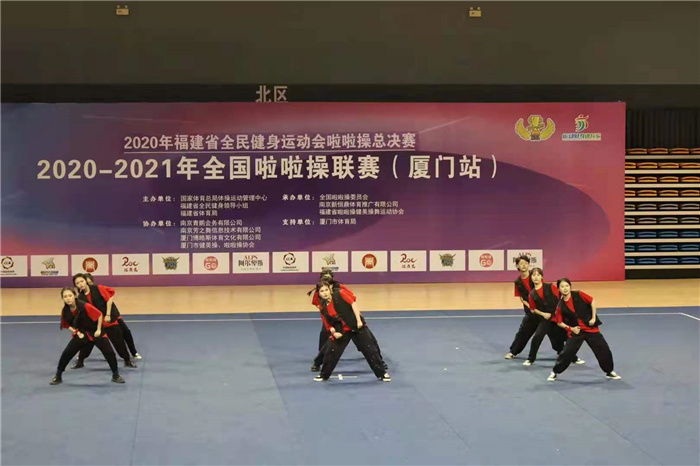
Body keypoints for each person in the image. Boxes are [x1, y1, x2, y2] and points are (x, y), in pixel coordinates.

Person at [312, 281, 390, 382]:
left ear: (330, 289)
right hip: (341, 331)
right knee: (331, 352)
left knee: (370, 349)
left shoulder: (340, 294)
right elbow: (327, 323)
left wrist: (359, 321)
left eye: (326, 290)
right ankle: (323, 375)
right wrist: (334, 333)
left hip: (357, 327)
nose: (325, 293)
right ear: (319, 293)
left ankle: (382, 373)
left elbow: (353, 304)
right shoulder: (322, 307)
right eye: (322, 291)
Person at [547, 278, 622, 381]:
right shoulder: (560, 305)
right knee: (567, 353)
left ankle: (609, 372)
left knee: (603, 350)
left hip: (591, 329)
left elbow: (592, 301)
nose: (565, 288)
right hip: (576, 331)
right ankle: (555, 371)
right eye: (562, 286)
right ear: (559, 289)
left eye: (567, 286)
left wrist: (593, 318)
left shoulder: (579, 294)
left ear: (570, 286)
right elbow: (559, 322)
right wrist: (571, 328)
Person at [51, 287, 124, 385]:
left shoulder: (84, 306)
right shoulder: (65, 310)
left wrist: (98, 330)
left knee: (109, 353)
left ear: (74, 296)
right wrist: (76, 332)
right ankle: (58, 375)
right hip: (82, 333)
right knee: (67, 353)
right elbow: (66, 325)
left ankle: (115, 375)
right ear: (62, 298)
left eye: (70, 296)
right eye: (65, 297)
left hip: (95, 332)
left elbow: (99, 315)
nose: (68, 298)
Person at [72, 274, 137, 368]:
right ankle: (80, 361)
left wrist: (108, 314)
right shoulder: (81, 298)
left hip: (108, 320)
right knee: (87, 342)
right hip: (95, 325)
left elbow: (109, 298)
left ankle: (127, 360)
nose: (80, 284)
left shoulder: (98, 288)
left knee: (118, 342)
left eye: (82, 281)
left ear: (86, 281)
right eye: (77, 283)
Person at [524, 268, 584, 366]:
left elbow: (561, 297)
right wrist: (543, 314)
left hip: (557, 318)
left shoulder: (550, 287)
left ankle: (573, 358)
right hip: (545, 320)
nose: (536, 277)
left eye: (538, 275)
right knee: (537, 337)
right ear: (531, 278)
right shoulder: (532, 294)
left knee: (562, 339)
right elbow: (533, 309)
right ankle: (530, 359)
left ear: (542, 277)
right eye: (533, 275)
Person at [84, 273, 141, 360]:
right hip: (98, 319)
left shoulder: (99, 288)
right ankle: (82, 356)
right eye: (87, 283)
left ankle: (133, 352)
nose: (89, 285)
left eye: (90, 282)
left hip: (112, 314)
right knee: (90, 336)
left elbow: (110, 296)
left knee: (126, 332)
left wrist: (108, 314)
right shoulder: (83, 295)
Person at [504, 255, 539, 360]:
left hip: (543, 310)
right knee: (523, 332)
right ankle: (513, 352)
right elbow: (522, 298)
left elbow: (543, 290)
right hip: (530, 312)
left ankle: (568, 354)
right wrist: (531, 307)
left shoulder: (535, 275)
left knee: (555, 333)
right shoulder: (518, 282)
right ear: (517, 266)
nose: (523, 265)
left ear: (529, 264)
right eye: (521, 264)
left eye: (526, 263)